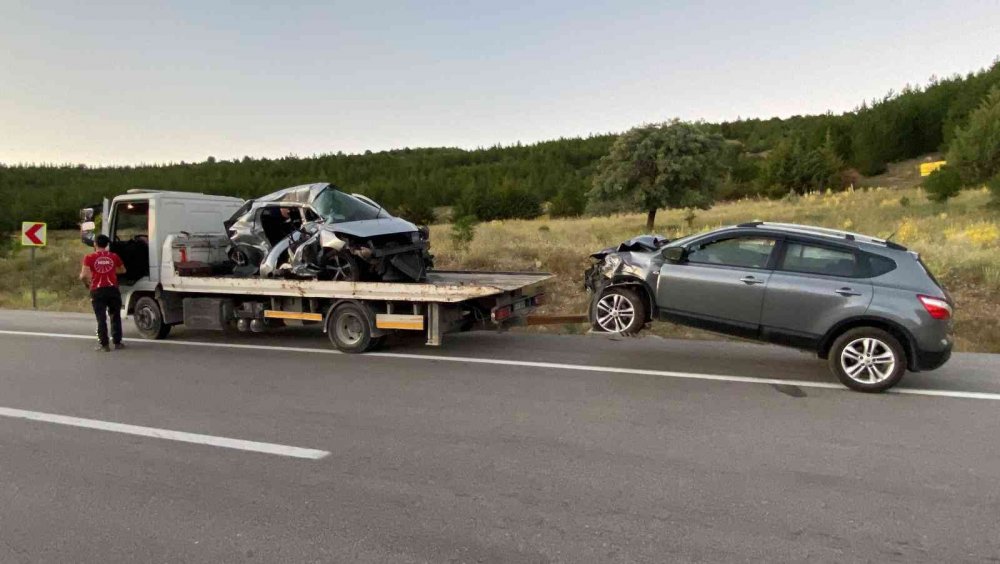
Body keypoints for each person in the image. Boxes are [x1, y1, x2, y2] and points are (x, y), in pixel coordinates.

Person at [79, 234, 127, 352]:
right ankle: (117, 342)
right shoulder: (114, 256)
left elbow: (84, 275)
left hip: (97, 290)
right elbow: (123, 270)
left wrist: (86, 282)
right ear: (107, 244)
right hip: (112, 289)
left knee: (101, 318)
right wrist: (111, 270)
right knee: (115, 316)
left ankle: (104, 345)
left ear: (95, 244)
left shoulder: (89, 257)